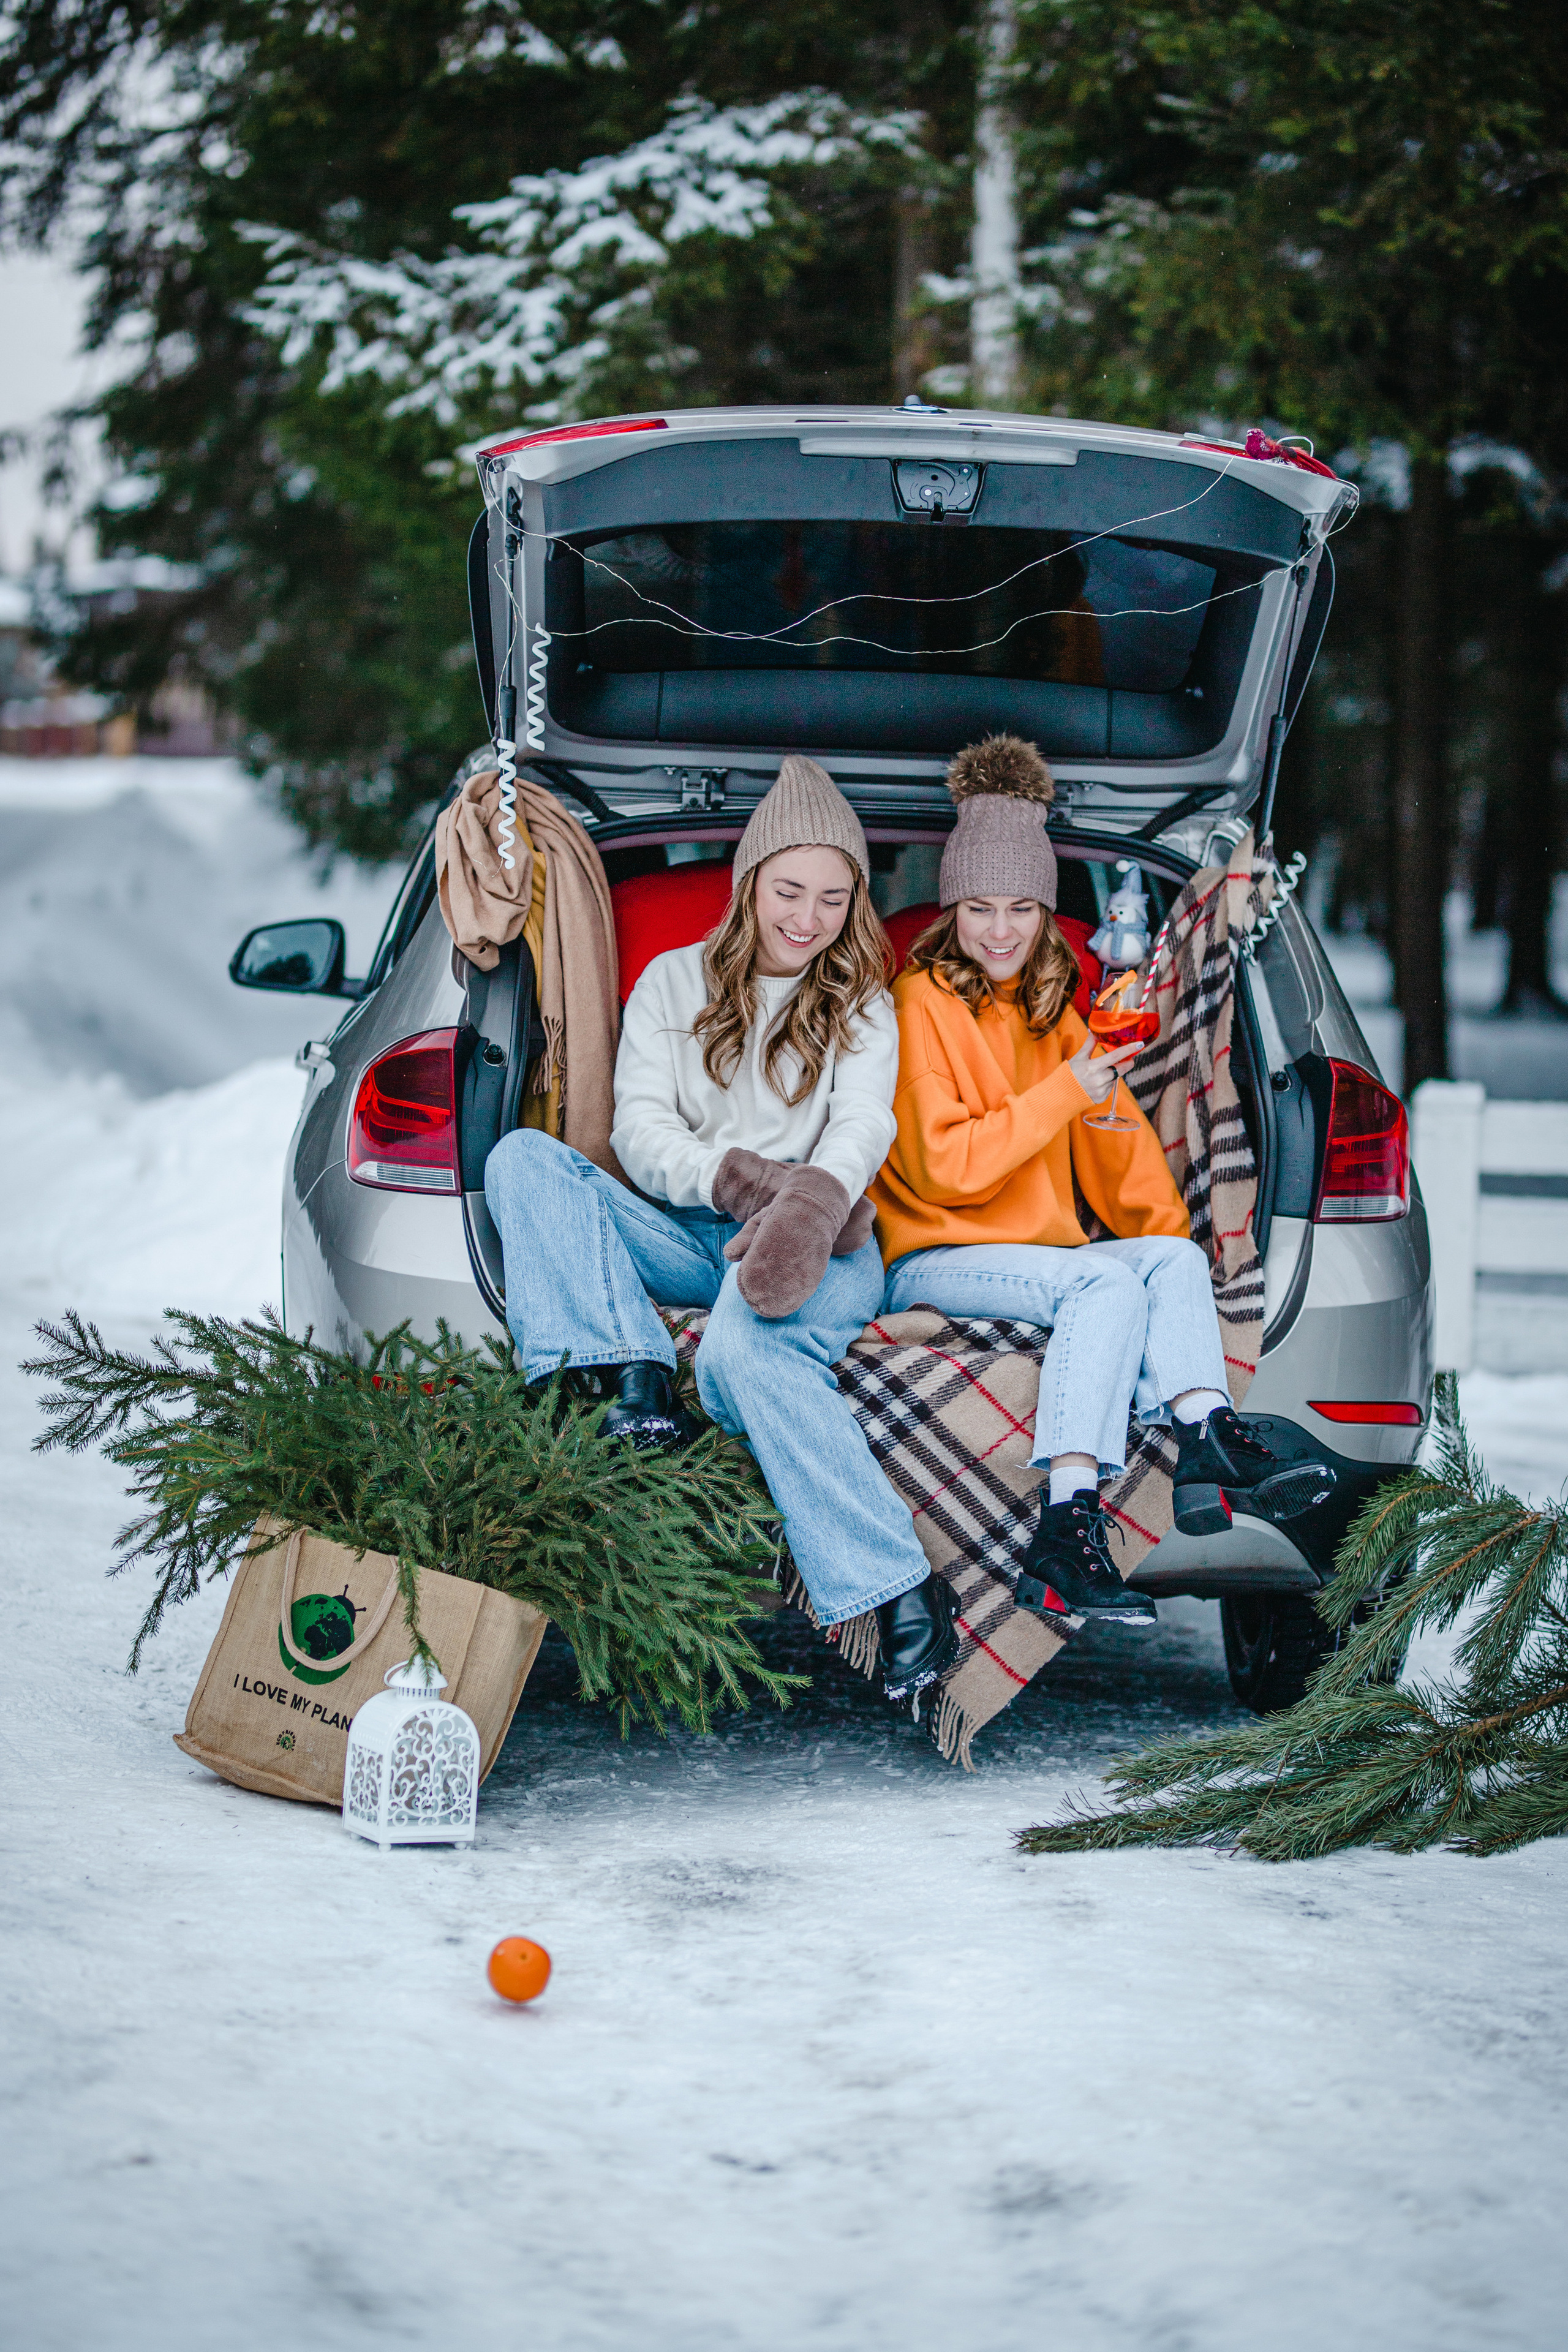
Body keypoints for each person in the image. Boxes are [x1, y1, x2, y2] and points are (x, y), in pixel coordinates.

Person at [484, 756, 959, 1702]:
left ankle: (900, 1593)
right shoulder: (673, 982)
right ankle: (633, 1378)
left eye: (833, 897)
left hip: (823, 1247)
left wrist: (810, 1203)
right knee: (520, 1162)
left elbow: (867, 1124)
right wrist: (740, 1181)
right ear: (750, 885)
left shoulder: (862, 998)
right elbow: (639, 1133)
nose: (808, 916)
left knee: (748, 1362)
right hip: (692, 1230)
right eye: (790, 889)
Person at [870, 734, 1283, 1624]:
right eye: (979, 908)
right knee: (1102, 1275)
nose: (1001, 931)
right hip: (935, 1251)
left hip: (1036, 1253)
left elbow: (1118, 1168)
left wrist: (1165, 1225)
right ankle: (1066, 1522)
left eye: (1022, 907)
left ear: (1045, 910)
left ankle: (1207, 1435)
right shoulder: (919, 1005)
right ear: (950, 909)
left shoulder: (1056, 1010)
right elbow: (943, 1167)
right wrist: (1065, 1094)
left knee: (1166, 1260)